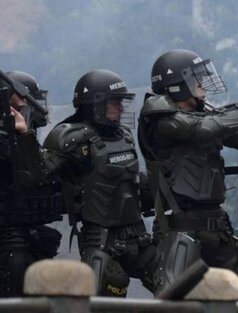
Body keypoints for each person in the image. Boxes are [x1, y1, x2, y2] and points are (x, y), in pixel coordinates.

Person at [138, 49, 238, 299]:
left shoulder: (202, 115)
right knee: (173, 299)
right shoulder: (160, 118)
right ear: (177, 85)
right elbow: (204, 128)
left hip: (217, 227)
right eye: (196, 78)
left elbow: (236, 134)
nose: (202, 84)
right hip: (181, 227)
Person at [41, 69, 157, 297]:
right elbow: (36, 176)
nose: (121, 108)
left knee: (177, 285)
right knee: (109, 292)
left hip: (138, 235)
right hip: (101, 239)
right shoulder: (71, 137)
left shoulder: (124, 135)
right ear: (95, 104)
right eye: (115, 102)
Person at [0, 72, 62, 297]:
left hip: (29, 237)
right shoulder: (7, 139)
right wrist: (23, 133)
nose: (29, 107)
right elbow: (31, 176)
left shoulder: (21, 138)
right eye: (21, 102)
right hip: (8, 244)